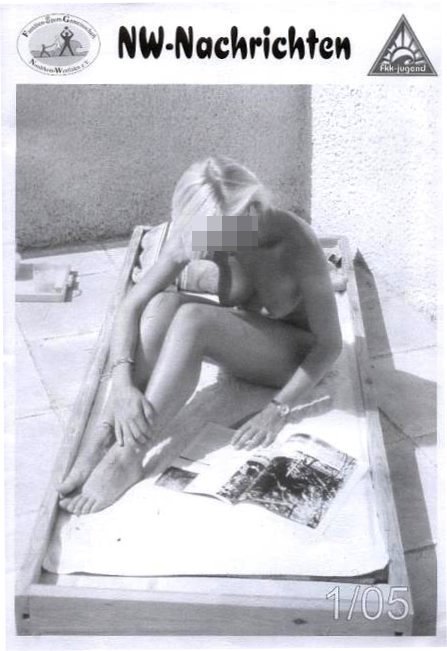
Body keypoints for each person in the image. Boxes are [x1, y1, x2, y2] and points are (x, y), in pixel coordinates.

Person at [59, 156, 342, 515]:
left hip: (294, 357)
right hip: (252, 340)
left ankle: (128, 455)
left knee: (194, 319)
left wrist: (277, 409)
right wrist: (123, 385)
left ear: (252, 208)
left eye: (225, 231)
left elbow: (330, 345)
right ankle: (107, 432)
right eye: (211, 233)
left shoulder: (294, 242)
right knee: (163, 304)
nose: (216, 242)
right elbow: (132, 304)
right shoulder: (208, 230)